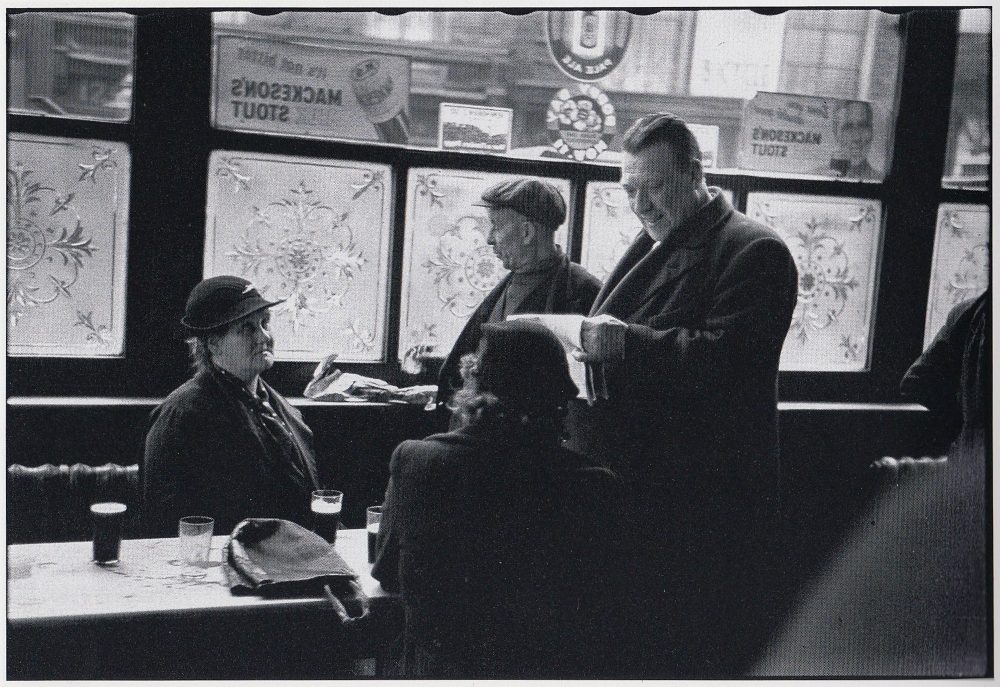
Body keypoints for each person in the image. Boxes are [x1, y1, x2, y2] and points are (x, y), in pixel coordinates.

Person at [570, 112, 799, 676]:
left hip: (702, 508)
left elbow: (727, 365)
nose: (640, 205)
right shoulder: (659, 237)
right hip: (638, 494)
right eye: (629, 190)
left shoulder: (754, 251)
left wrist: (627, 345)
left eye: (654, 188)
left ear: (697, 174)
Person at [373, 320, 624, 678]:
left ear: (472, 387)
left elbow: (387, 575)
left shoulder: (417, 460)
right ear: (558, 401)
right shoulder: (593, 487)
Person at [142, 276, 321, 537]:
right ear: (213, 343)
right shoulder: (182, 415)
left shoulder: (284, 410)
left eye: (264, 323)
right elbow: (165, 523)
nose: (264, 336)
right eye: (247, 328)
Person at [436, 178, 601, 409]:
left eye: (496, 226)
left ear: (526, 232)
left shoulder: (585, 292)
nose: (489, 239)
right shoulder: (510, 281)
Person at [820, 100, 879, 179]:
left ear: (871, 131)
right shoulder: (814, 178)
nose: (856, 138)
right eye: (847, 127)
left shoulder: (880, 179)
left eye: (863, 126)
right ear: (836, 133)